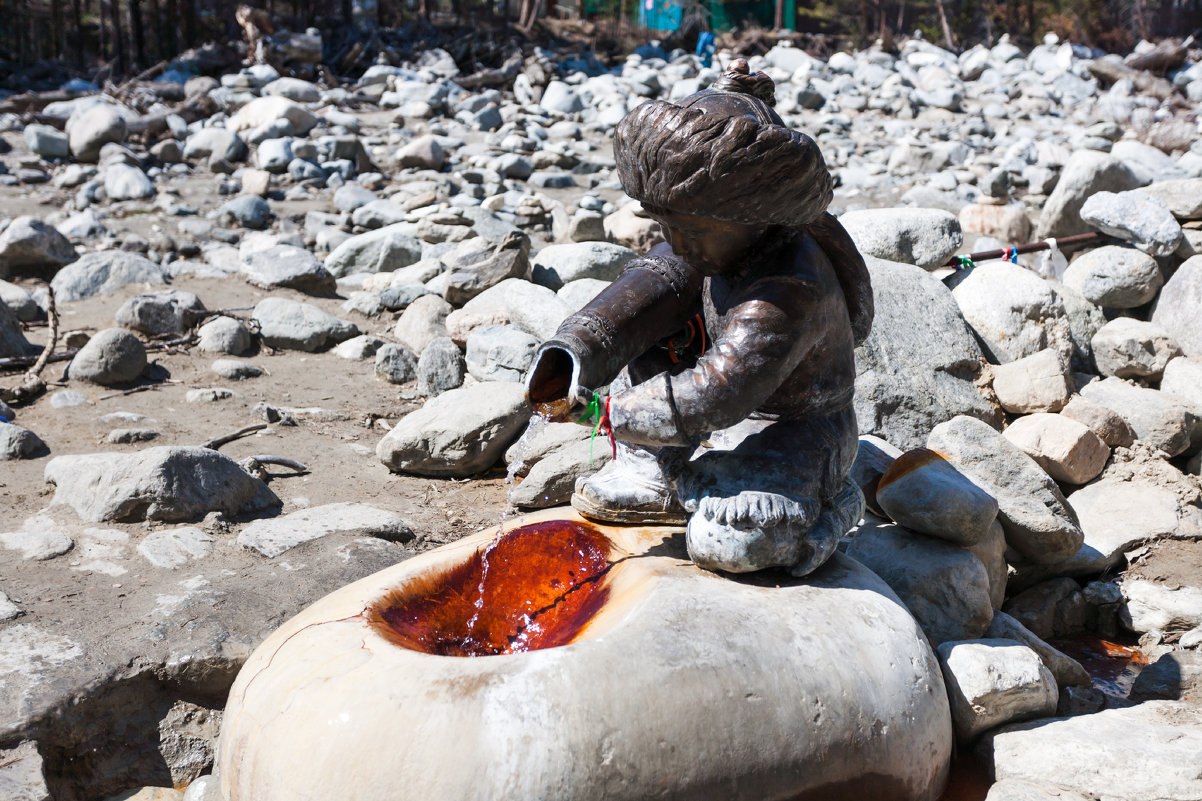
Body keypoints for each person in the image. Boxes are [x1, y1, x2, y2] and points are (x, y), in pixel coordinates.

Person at [525, 59, 873, 576]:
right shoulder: (707, 244)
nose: (678, 243)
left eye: (692, 229)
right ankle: (655, 467)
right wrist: (572, 352)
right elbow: (638, 296)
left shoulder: (790, 288)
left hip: (799, 428)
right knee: (655, 316)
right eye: (665, 223)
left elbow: (720, 389)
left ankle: (832, 506)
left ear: (755, 217)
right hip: (718, 408)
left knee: (724, 543)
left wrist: (604, 413)